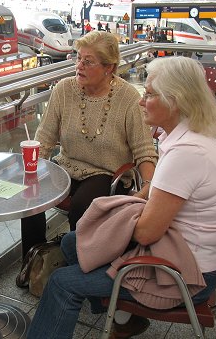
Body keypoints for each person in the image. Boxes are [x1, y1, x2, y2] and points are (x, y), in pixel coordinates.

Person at [27, 56, 216, 339]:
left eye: (149, 94)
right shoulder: (191, 136)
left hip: (186, 273)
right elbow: (161, 187)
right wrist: (130, 205)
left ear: (176, 100)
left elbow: (147, 232)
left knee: (63, 282)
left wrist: (114, 220)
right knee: (72, 242)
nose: (140, 101)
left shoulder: (187, 153)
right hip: (185, 252)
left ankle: (114, 310)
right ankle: (125, 318)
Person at [21, 31, 157, 259]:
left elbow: (144, 150)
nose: (79, 66)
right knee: (31, 193)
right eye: (78, 58)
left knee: (83, 205)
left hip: (108, 172)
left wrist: (150, 186)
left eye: (88, 61)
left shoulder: (128, 98)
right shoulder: (64, 89)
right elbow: (44, 137)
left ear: (109, 68)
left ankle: (79, 262)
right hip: (66, 166)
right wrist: (33, 172)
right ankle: (34, 259)